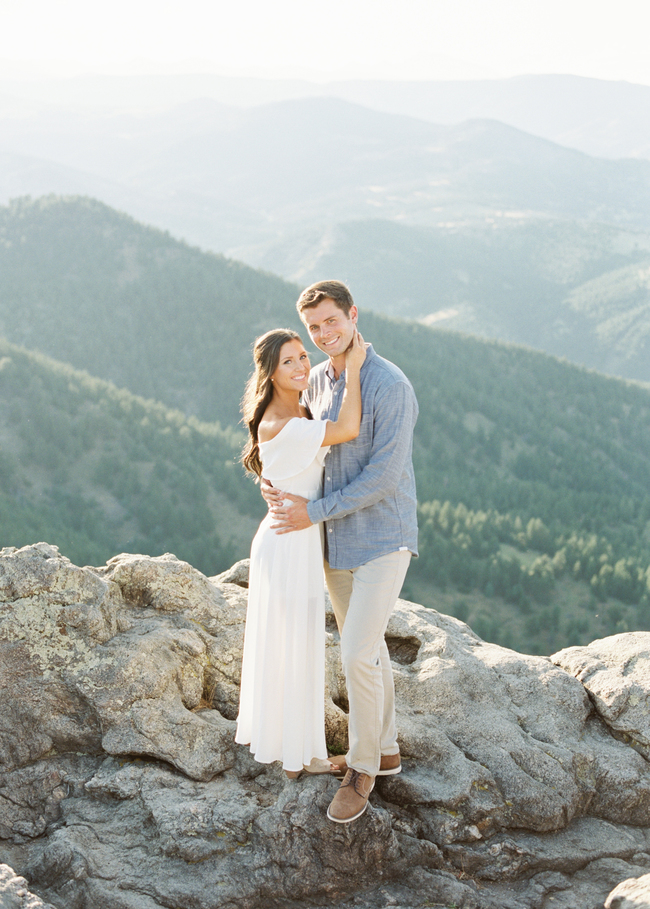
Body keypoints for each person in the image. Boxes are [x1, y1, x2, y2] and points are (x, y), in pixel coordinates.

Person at [265, 280, 418, 824]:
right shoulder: (318, 381)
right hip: (336, 541)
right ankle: (389, 748)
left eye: (332, 321)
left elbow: (383, 477)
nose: (325, 334)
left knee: (355, 651)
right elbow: (306, 448)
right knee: (368, 648)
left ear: (354, 315)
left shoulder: (389, 384)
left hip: (382, 537)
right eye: (314, 328)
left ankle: (362, 769)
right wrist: (275, 483)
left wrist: (314, 512)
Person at [235, 326, 366, 779]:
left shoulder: (297, 408)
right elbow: (348, 428)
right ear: (269, 372)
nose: (299, 366)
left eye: (301, 357)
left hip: (294, 534)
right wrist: (355, 366)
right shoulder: (285, 420)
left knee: (294, 644)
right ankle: (298, 758)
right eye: (287, 361)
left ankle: (289, 746)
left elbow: (277, 467)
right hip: (289, 540)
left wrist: (268, 482)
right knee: (294, 645)